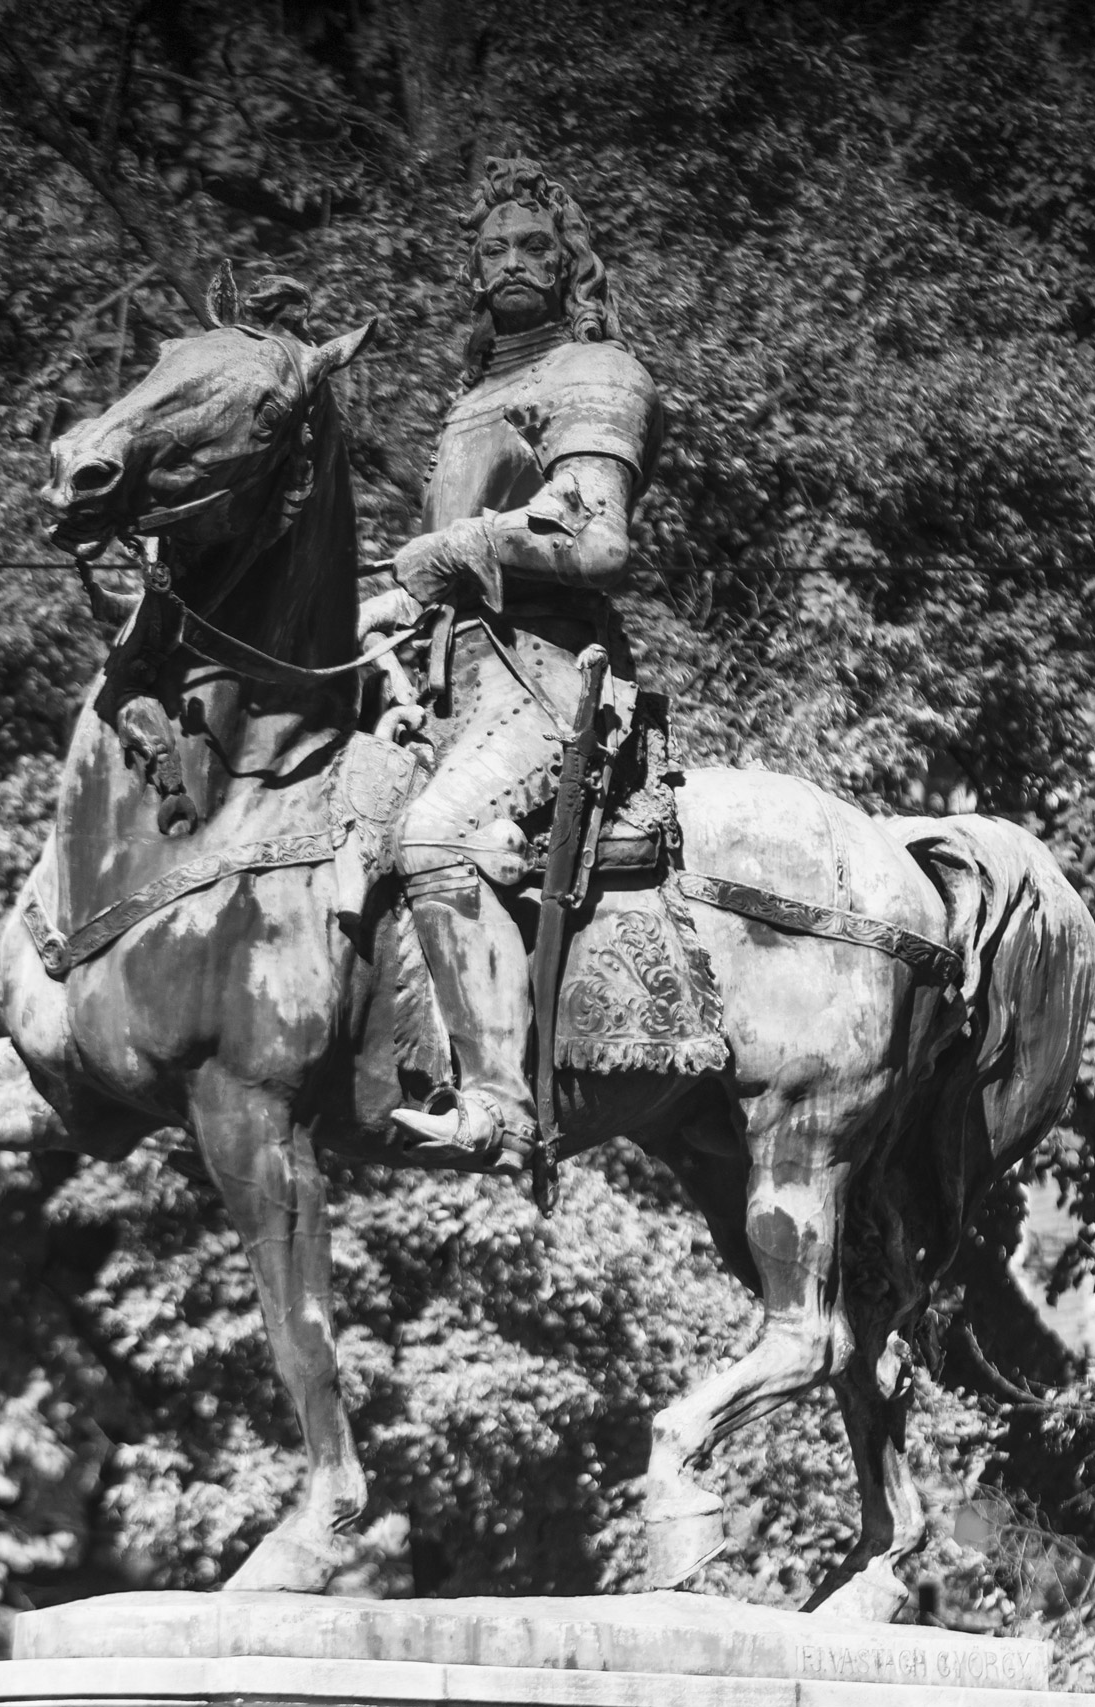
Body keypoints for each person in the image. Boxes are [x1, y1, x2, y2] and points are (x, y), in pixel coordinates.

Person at [356, 157, 664, 1169]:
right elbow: (447, 568)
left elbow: (598, 544)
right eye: (493, 249)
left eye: (535, 244)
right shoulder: (474, 396)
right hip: (450, 681)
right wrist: (395, 603)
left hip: (548, 679)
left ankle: (499, 1106)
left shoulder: (593, 375)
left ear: (571, 263)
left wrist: (451, 549)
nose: (511, 262)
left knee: (437, 835)